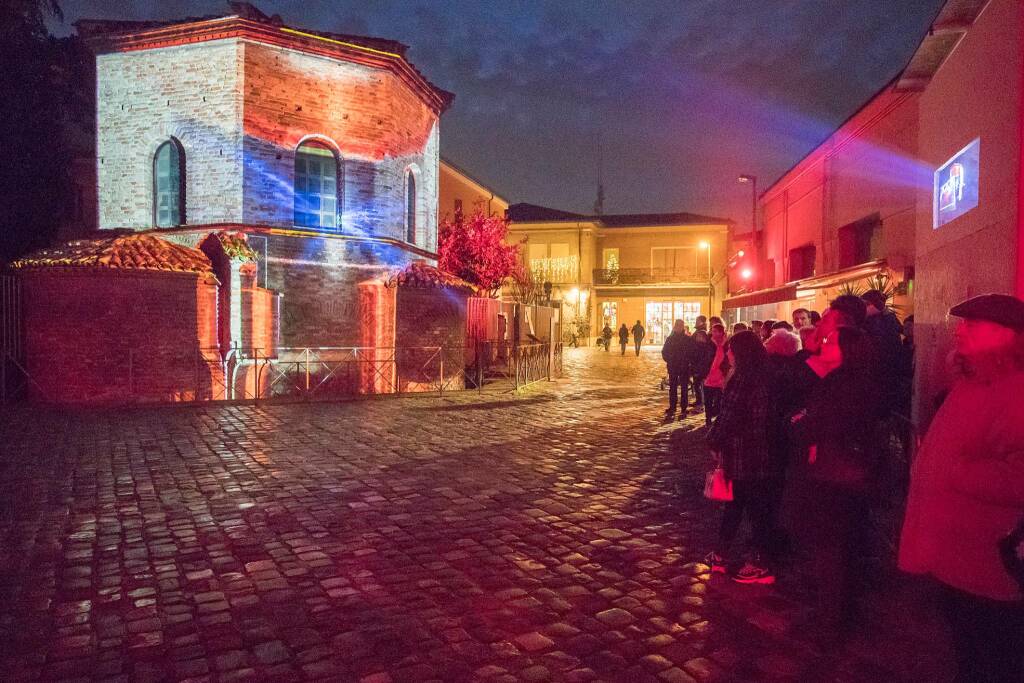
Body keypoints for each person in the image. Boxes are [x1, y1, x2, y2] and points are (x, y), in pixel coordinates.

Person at [899, 294, 1024, 682]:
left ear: (1005, 336)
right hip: (955, 553)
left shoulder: (1016, 392)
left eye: (974, 325)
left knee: (990, 659)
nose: (962, 331)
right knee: (964, 650)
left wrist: (952, 470)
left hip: (987, 562)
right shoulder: (972, 381)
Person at [790, 326, 886, 639]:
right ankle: (841, 612)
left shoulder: (843, 383)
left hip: (834, 474)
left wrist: (803, 422)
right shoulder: (864, 380)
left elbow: (821, 424)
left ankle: (829, 619)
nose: (822, 344)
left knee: (831, 549)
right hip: (851, 474)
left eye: (830, 341)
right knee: (844, 546)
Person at [705, 331, 778, 584]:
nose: (728, 354)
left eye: (731, 350)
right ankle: (723, 555)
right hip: (760, 451)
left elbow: (729, 417)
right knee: (743, 506)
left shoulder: (743, 379)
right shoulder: (766, 375)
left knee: (746, 508)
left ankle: (760, 563)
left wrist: (714, 441)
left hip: (743, 452)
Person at [661, 320, 695, 418]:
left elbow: (692, 353)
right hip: (674, 367)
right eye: (677, 326)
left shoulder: (687, 339)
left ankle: (682, 408)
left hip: (682, 367)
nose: (678, 327)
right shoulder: (671, 339)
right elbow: (664, 352)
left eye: (680, 326)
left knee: (682, 387)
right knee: (674, 387)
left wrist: (688, 362)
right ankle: (673, 407)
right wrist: (669, 360)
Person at [702, 323, 729, 426]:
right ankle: (708, 418)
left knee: (720, 400)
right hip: (709, 375)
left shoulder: (727, 344)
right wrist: (703, 372)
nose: (713, 333)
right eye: (712, 331)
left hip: (721, 376)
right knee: (708, 399)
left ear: (721, 332)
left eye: (715, 331)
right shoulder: (708, 343)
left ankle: (718, 418)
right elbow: (703, 358)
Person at [690, 329, 713, 410]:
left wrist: (699, 369)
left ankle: (702, 403)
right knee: (696, 386)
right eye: (697, 336)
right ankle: (699, 401)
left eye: (700, 336)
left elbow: (705, 360)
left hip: (702, 370)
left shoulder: (706, 347)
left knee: (702, 387)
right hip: (696, 369)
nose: (698, 338)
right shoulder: (696, 345)